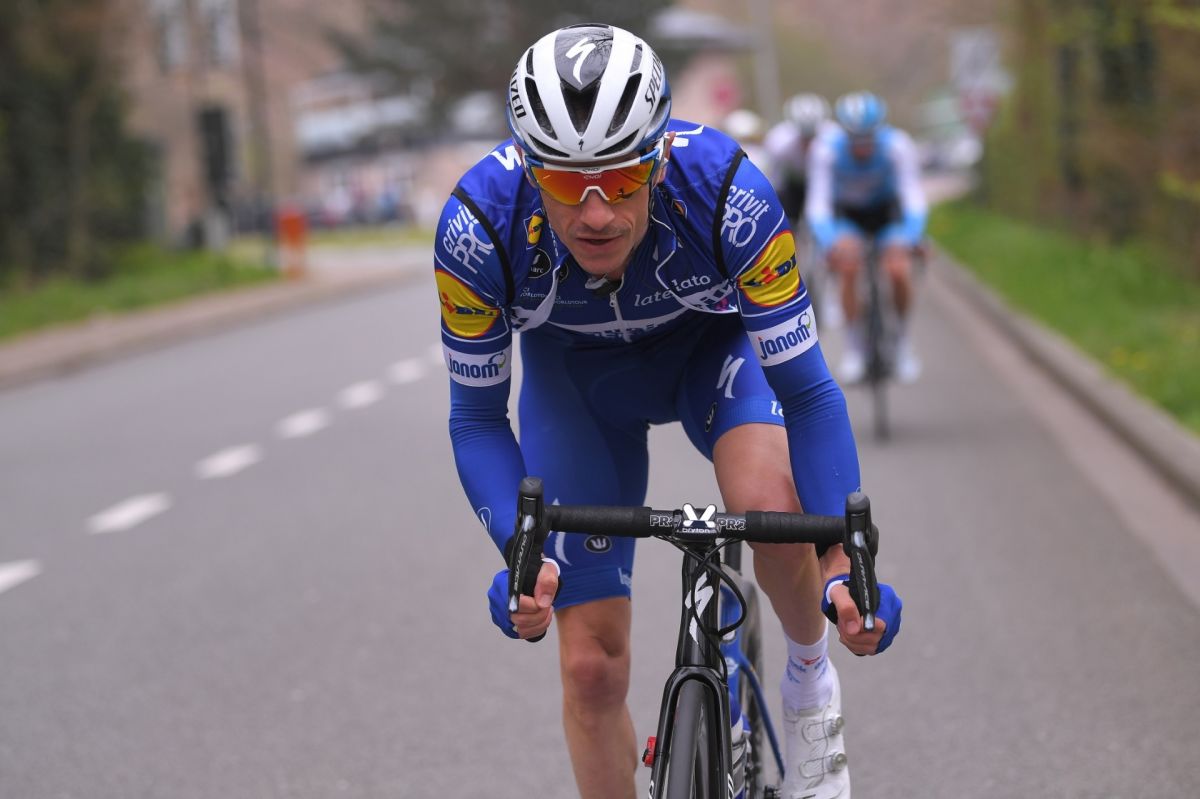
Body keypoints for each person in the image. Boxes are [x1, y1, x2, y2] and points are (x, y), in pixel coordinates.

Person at [434, 24, 902, 799]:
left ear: (657, 159)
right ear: (530, 167)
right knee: (590, 667)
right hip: (577, 386)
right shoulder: (478, 226)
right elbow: (477, 419)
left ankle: (808, 688)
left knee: (771, 507)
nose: (595, 213)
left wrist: (842, 560)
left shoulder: (727, 191)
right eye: (565, 183)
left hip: (712, 354)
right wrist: (523, 551)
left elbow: (808, 391)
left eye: (621, 179)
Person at [805, 91, 928, 384]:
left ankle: (901, 343)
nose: (862, 146)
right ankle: (855, 349)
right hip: (848, 216)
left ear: (879, 130)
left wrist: (910, 237)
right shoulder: (825, 149)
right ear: (843, 133)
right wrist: (830, 243)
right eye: (854, 139)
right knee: (848, 268)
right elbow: (818, 204)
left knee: (898, 271)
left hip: (887, 213)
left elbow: (913, 197)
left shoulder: (898, 145)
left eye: (868, 138)